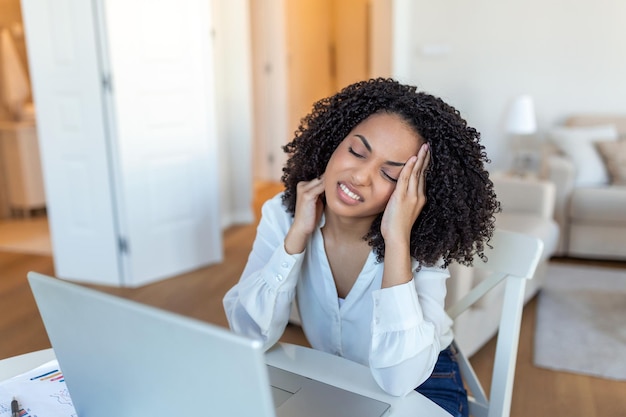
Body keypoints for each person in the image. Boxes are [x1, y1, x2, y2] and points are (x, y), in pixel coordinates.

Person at [223, 78, 500, 417]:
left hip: (422, 382)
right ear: (333, 142)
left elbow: (399, 379)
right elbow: (250, 334)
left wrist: (397, 239)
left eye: (391, 175)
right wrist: (296, 235)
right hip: (337, 379)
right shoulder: (284, 213)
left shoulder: (422, 242)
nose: (360, 176)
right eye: (356, 152)